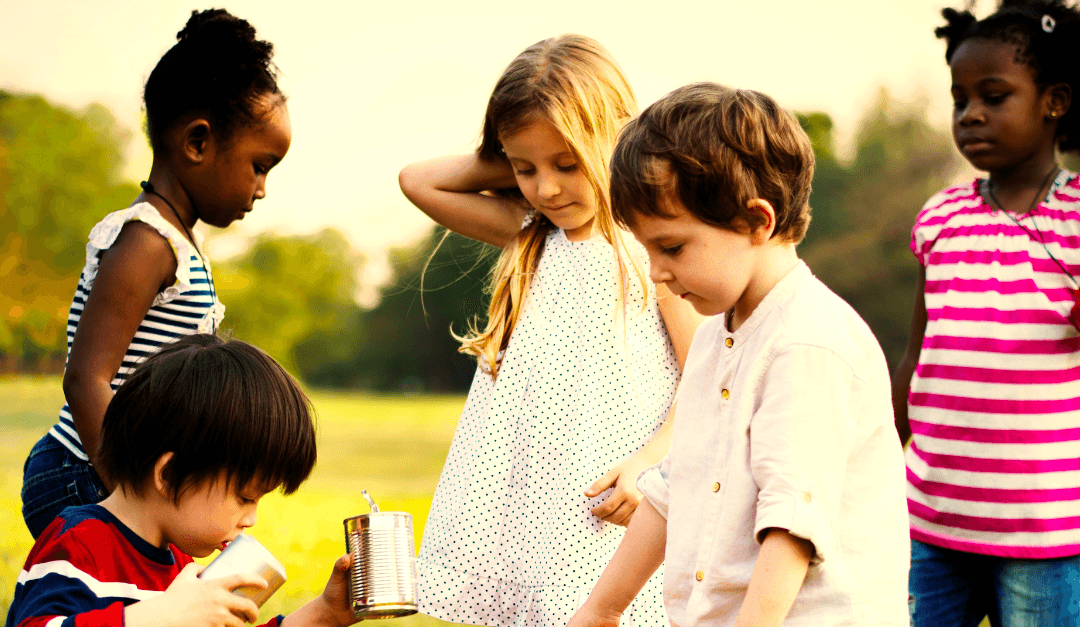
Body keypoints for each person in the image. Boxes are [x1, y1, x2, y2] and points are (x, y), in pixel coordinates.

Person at [567, 83, 909, 627]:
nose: (655, 271)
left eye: (672, 247)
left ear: (757, 221)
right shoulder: (712, 338)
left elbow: (792, 527)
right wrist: (601, 610)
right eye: (647, 249)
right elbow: (670, 488)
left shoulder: (807, 343)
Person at [398, 35, 700, 627]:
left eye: (568, 163)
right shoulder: (533, 231)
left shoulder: (652, 244)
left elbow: (707, 374)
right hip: (525, 501)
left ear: (615, 138)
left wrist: (652, 461)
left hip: (611, 497)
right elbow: (417, 180)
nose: (548, 188)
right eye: (525, 169)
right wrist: (509, 147)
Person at [20, 8, 292, 538]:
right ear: (197, 143)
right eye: (259, 165)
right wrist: (129, 499)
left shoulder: (179, 244)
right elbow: (86, 377)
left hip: (124, 478)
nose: (261, 189)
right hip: (87, 475)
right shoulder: (147, 241)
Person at [892, 1, 1080, 624]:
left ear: (1054, 101)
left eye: (993, 96)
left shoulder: (1077, 221)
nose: (970, 113)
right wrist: (880, 454)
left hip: (1046, 533)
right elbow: (920, 356)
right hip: (933, 519)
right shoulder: (941, 217)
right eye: (960, 98)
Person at [6, 334, 356, 627]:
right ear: (170, 475)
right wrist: (159, 617)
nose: (251, 519)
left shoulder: (183, 569)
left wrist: (326, 613)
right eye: (246, 498)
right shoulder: (82, 545)